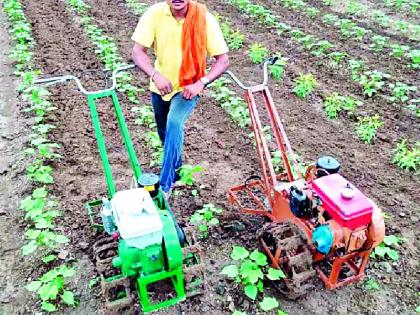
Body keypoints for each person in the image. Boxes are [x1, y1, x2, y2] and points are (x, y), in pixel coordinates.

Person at [131, 0, 229, 196]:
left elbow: (223, 59)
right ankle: (176, 169)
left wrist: (201, 82)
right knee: (164, 132)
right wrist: (155, 75)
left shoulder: (204, 19)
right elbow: (137, 51)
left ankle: (165, 186)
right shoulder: (155, 13)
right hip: (161, 86)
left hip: (188, 87)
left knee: (174, 122)